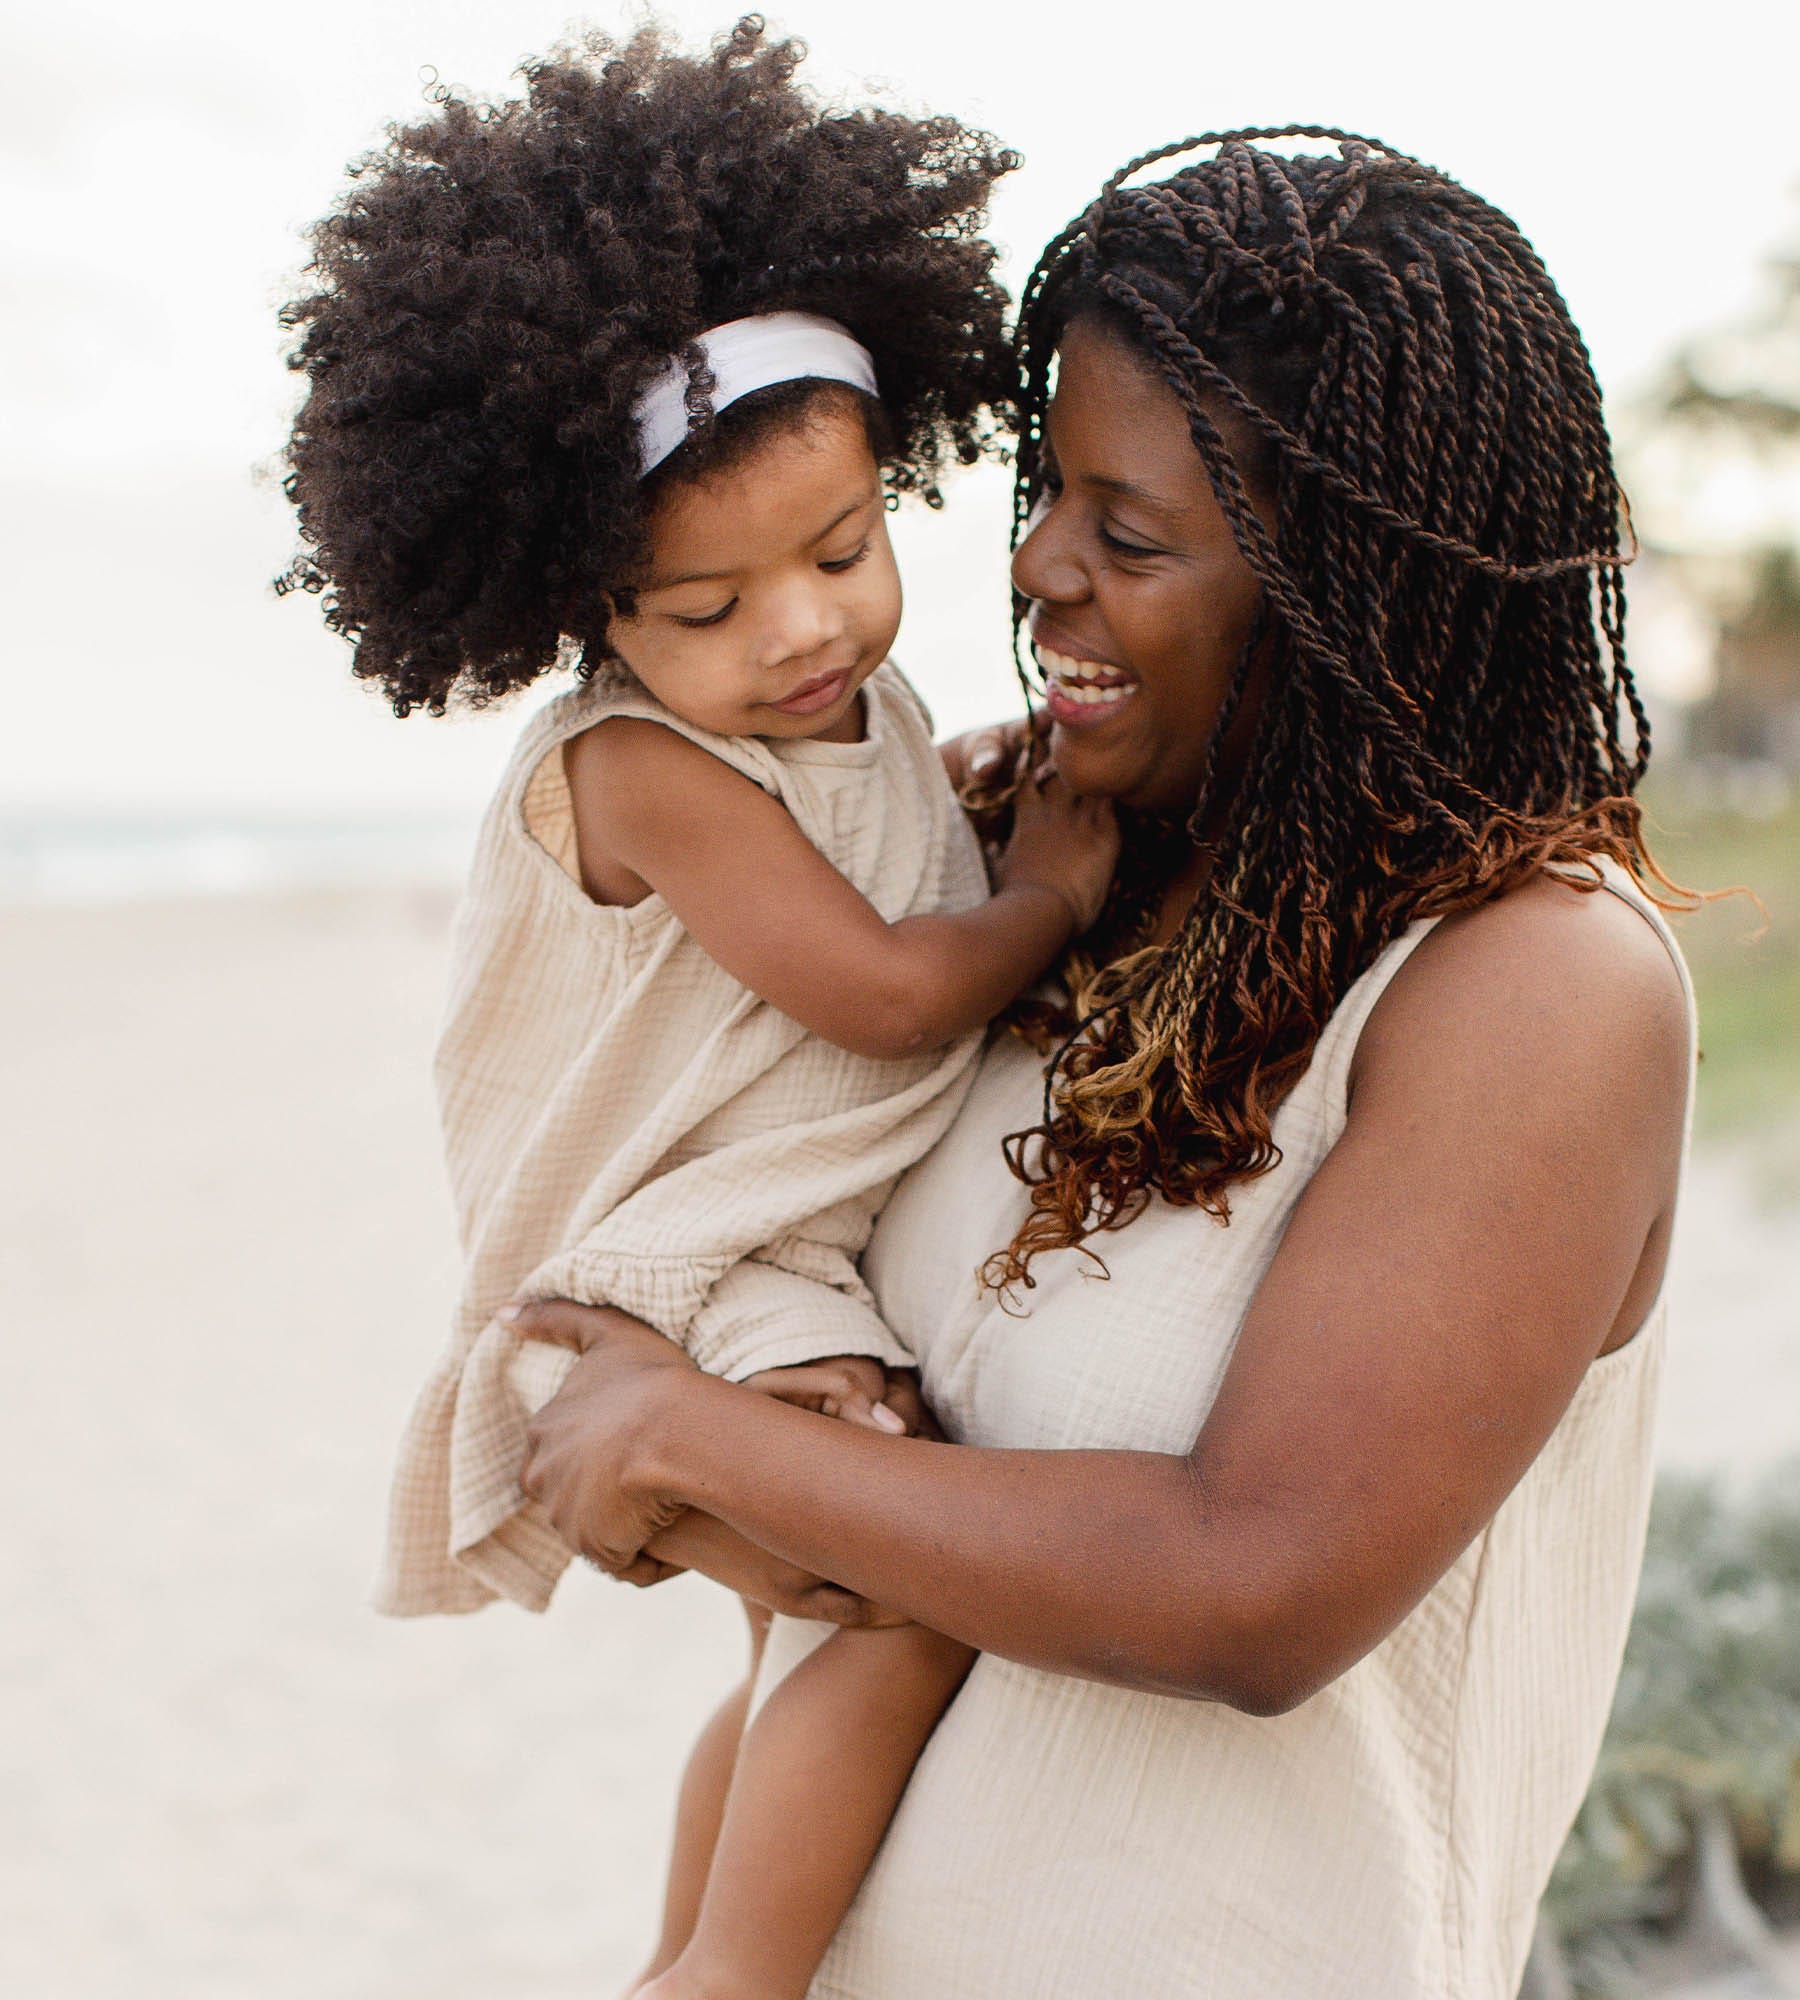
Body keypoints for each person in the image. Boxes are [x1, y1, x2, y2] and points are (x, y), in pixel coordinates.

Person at [512, 129, 1698, 2000]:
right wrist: (681, 1424)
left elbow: (1253, 1586)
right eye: (1049, 492)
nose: (1043, 563)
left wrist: (686, 1433)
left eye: (1129, 534)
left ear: (1355, 590)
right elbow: (730, 1220)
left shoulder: (1531, 985)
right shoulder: (1017, 851)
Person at [276, 23, 1117, 2000]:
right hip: (688, 1266)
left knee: (794, 1643)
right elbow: (891, 986)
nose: (803, 630)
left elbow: (894, 830)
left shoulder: (834, 708)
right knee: (892, 1598)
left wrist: (994, 780)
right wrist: (1064, 887)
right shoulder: (645, 772)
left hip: (765, 1246)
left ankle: (679, 1958)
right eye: (711, 608)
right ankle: (726, 1981)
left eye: (841, 551)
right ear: (592, 621)